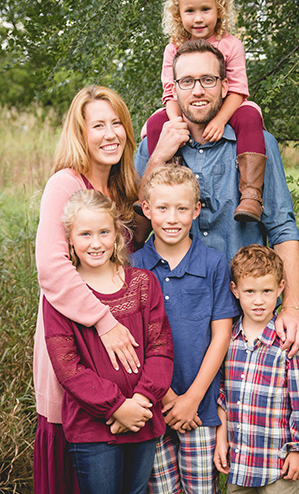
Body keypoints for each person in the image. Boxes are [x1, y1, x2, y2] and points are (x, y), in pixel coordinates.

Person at [135, 38, 299, 359]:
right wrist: (158, 156)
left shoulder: (258, 145)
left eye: (208, 80)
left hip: (244, 315)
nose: (198, 90)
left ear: (224, 85)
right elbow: (132, 230)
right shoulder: (153, 147)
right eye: (187, 81)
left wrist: (293, 308)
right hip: (170, 319)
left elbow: (283, 229)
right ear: (173, 89)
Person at [33, 86, 150, 494]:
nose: (110, 133)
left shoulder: (120, 191)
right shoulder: (64, 185)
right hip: (78, 346)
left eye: (117, 122)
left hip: (119, 368)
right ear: (80, 134)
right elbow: (51, 267)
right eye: (97, 124)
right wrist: (104, 321)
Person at [42, 189, 174, 494]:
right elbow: (68, 368)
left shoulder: (143, 283)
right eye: (85, 234)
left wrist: (141, 401)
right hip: (93, 429)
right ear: (70, 240)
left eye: (104, 232)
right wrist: (116, 407)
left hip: (142, 418)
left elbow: (161, 348)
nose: (96, 242)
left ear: (117, 234)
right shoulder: (63, 297)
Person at [132, 165, 239, 493]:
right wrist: (166, 398)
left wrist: (191, 399)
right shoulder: (133, 267)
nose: (172, 218)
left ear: (196, 210)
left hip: (200, 408)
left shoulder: (213, 264)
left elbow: (221, 335)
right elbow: (131, 343)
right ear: (147, 210)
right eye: (162, 208)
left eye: (181, 209)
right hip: (151, 407)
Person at [139, 0, 266, 222]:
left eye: (205, 10)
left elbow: (238, 89)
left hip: (226, 106)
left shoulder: (231, 44)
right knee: (155, 123)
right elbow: (170, 92)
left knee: (251, 115)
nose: (198, 18)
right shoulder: (173, 48)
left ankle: (251, 194)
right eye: (190, 11)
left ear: (219, 10)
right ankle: (164, 183)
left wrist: (220, 120)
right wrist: (176, 123)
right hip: (187, 110)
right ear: (178, 14)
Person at [214, 245, 299, 493]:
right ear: (235, 290)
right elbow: (223, 394)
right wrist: (221, 440)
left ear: (280, 288)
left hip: (279, 464)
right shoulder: (227, 339)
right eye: (250, 291)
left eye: (267, 291)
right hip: (240, 463)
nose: (258, 301)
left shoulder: (290, 340)